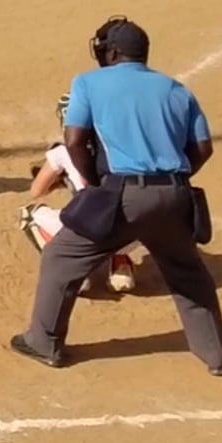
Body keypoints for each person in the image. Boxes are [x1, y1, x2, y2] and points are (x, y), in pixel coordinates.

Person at [10, 16, 222, 375]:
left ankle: (42, 342)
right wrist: (174, 179)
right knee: (188, 273)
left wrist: (97, 182)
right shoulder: (176, 89)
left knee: (61, 258)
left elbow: (75, 141)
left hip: (122, 194)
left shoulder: (88, 82)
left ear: (111, 53)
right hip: (176, 195)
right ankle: (216, 354)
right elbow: (203, 148)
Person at [20, 92, 137, 295]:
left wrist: (61, 179)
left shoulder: (61, 152)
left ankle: (72, 272)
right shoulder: (127, 146)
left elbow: (36, 191)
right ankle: (120, 264)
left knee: (30, 214)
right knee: (123, 205)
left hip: (90, 230)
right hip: (138, 233)